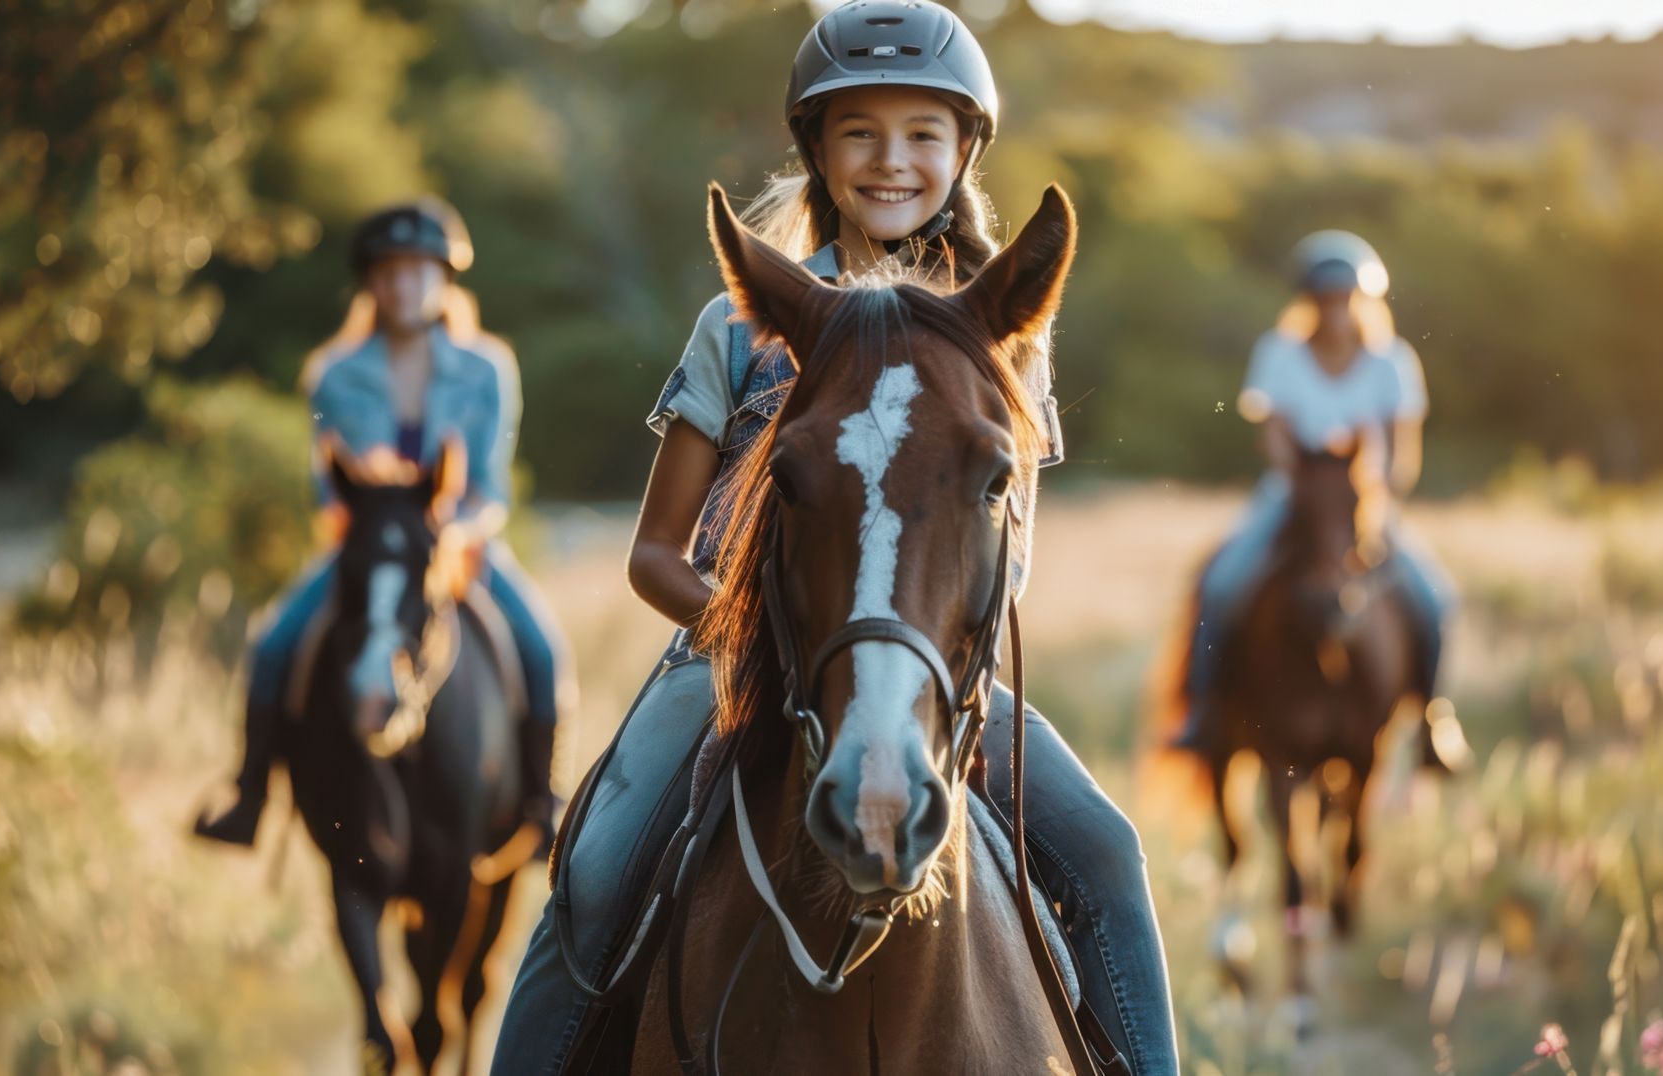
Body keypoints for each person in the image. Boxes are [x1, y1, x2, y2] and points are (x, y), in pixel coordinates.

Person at [490, 4, 1178, 1072]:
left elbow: (1010, 553)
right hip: (728, 665)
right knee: (592, 877)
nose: (891, 160)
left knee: (1107, 856)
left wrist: (897, 648)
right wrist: (762, 636)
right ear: (817, 149)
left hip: (933, 673)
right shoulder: (739, 324)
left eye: (921, 133)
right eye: (859, 132)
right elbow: (655, 553)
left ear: (964, 150)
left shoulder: (1002, 336)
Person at [193, 197, 565, 849]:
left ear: (444, 278)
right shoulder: (334, 375)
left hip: (461, 544)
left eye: (419, 271)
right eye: (389, 273)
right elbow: (326, 487)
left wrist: (451, 536)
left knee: (541, 648)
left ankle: (542, 802)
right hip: (369, 550)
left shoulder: (488, 369)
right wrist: (375, 535)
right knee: (273, 644)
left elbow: (491, 489)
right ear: (371, 283)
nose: (404, 286)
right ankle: (249, 796)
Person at [1173, 229, 1454, 751]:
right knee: (1220, 582)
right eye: (1324, 300)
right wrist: (1310, 483)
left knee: (1436, 597)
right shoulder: (1280, 354)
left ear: (1363, 302)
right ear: (1309, 303)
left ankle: (1433, 724)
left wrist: (1368, 497)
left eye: (1345, 299)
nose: (1335, 311)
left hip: (1364, 506)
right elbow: (1273, 433)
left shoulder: (1392, 361)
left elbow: (1401, 455)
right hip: (1292, 497)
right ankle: (1203, 713)